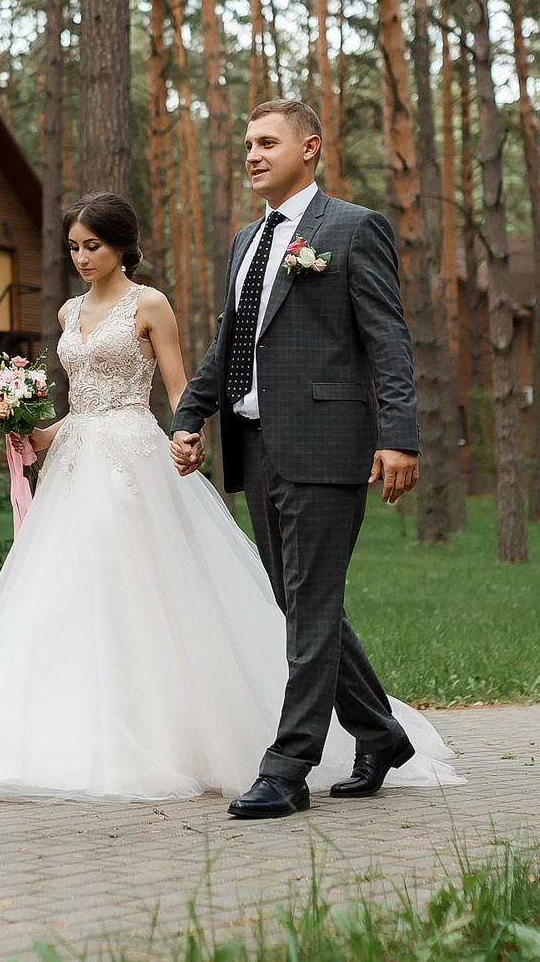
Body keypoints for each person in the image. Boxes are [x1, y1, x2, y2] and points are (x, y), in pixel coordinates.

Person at [0, 190, 458, 806]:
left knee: (246, 598)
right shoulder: (74, 310)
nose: (82, 257)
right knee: (79, 592)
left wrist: (188, 429)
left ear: (122, 245)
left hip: (141, 460)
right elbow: (99, 399)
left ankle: (277, 758)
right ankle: (374, 732)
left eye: (93, 245)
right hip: (76, 462)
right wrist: (33, 431)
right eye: (74, 248)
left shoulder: (152, 302)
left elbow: (184, 382)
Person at [170, 99, 422, 819]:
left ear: (309, 147)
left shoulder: (352, 228)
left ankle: (288, 767)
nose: (252, 154)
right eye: (247, 143)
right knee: (300, 604)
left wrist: (400, 435)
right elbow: (231, 339)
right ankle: (380, 734)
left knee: (310, 607)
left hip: (326, 445)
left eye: (267, 142)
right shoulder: (247, 241)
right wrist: (191, 412)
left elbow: (388, 339)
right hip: (257, 449)